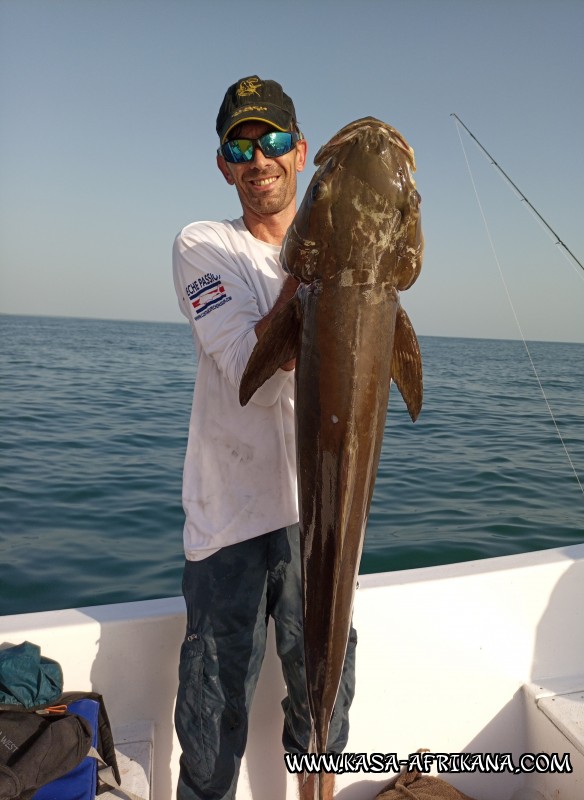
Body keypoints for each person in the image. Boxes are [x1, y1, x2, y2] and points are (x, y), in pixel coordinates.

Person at [172, 76, 357, 800]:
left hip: (320, 519)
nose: (260, 157)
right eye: (240, 145)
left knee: (324, 709)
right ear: (223, 164)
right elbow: (256, 361)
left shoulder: (346, 260)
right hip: (228, 528)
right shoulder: (203, 246)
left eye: (274, 139)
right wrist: (315, 263)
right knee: (212, 721)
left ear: (300, 151)